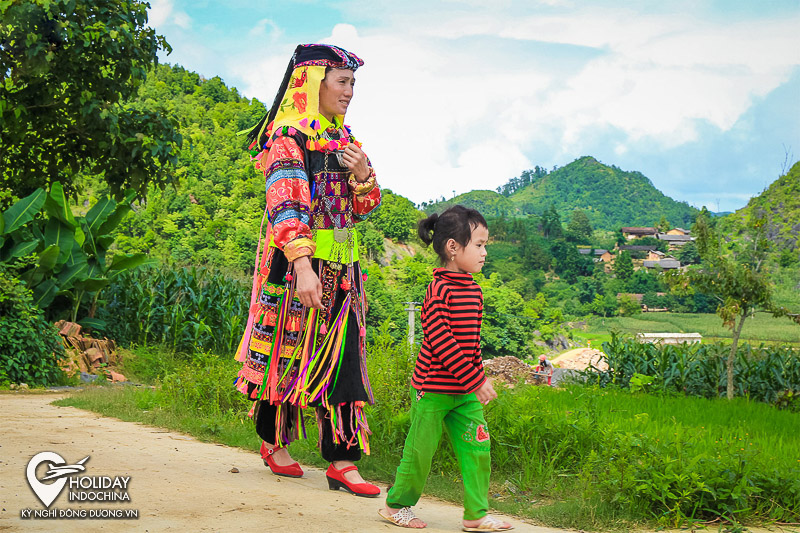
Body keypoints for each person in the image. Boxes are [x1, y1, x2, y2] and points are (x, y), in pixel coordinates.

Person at [233, 44, 381, 497]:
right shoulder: (288, 138)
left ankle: (342, 460)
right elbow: (286, 204)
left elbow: (365, 209)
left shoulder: (346, 142)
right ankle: (273, 441)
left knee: (345, 356)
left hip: (342, 269)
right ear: (315, 83)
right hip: (295, 265)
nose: (350, 91)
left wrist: (362, 177)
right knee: (286, 351)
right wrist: (301, 266)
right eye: (343, 81)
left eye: (353, 82)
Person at [380, 206, 513, 531]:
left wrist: (474, 379)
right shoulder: (437, 291)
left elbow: (470, 343)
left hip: (465, 392)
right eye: (479, 245)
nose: (485, 252)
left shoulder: (475, 290)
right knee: (420, 451)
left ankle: (476, 515)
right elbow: (442, 343)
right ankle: (396, 505)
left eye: (485, 245)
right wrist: (477, 380)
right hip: (433, 388)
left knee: (478, 446)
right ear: (453, 248)